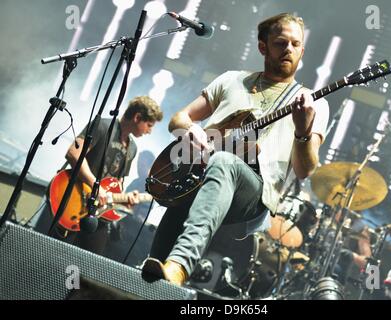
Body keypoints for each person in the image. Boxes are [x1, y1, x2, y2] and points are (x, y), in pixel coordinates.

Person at [142, 13, 329, 286]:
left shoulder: (313, 104)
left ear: (302, 50)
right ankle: (161, 273)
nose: (288, 49)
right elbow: (179, 119)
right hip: (202, 173)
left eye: (295, 44)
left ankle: (182, 262)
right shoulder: (232, 80)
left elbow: (305, 170)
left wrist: (302, 131)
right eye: (280, 43)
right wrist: (191, 130)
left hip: (254, 190)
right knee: (151, 275)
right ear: (263, 47)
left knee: (225, 162)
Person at [34, 96, 163, 257]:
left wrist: (123, 201)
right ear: (137, 117)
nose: (149, 131)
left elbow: (117, 184)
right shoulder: (102, 126)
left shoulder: (132, 148)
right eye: (149, 125)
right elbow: (74, 153)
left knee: (90, 265)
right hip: (72, 200)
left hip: (97, 215)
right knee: (46, 254)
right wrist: (97, 187)